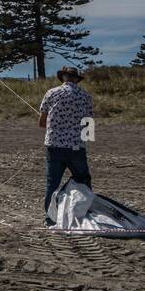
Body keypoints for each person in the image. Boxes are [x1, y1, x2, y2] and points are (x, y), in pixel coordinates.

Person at [39, 65, 94, 222]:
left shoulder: (51, 93)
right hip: (77, 147)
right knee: (83, 182)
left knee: (52, 184)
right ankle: (84, 216)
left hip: (54, 145)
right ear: (76, 79)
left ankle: (50, 219)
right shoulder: (86, 96)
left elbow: (41, 123)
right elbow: (89, 127)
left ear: (63, 77)